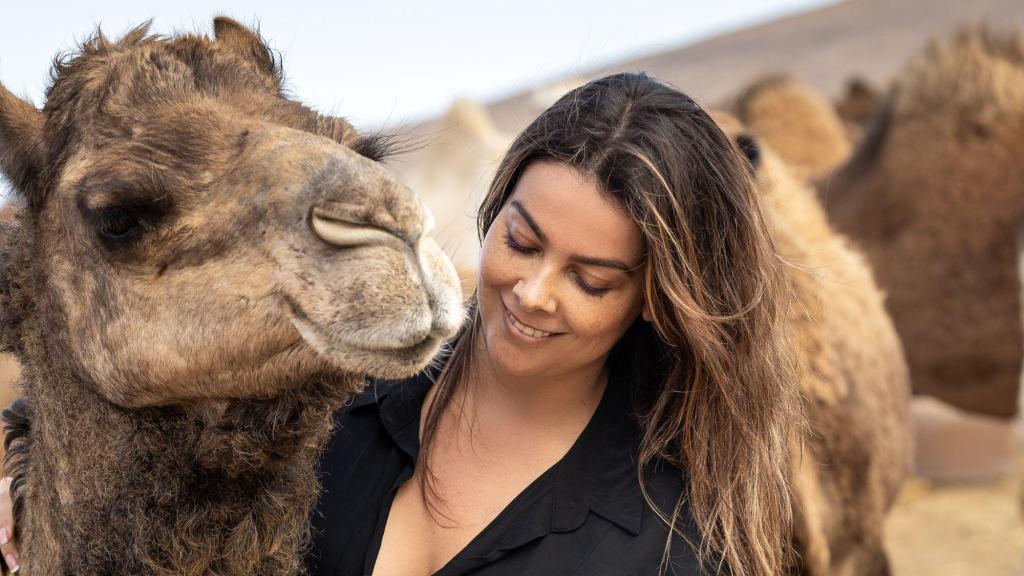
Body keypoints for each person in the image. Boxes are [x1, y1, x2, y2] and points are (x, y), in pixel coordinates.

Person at [0, 72, 800, 576]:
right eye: (520, 241)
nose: (532, 292)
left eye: (590, 280)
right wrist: (27, 477)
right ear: (494, 210)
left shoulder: (668, 544)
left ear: (654, 297)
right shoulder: (333, 389)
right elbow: (145, 392)